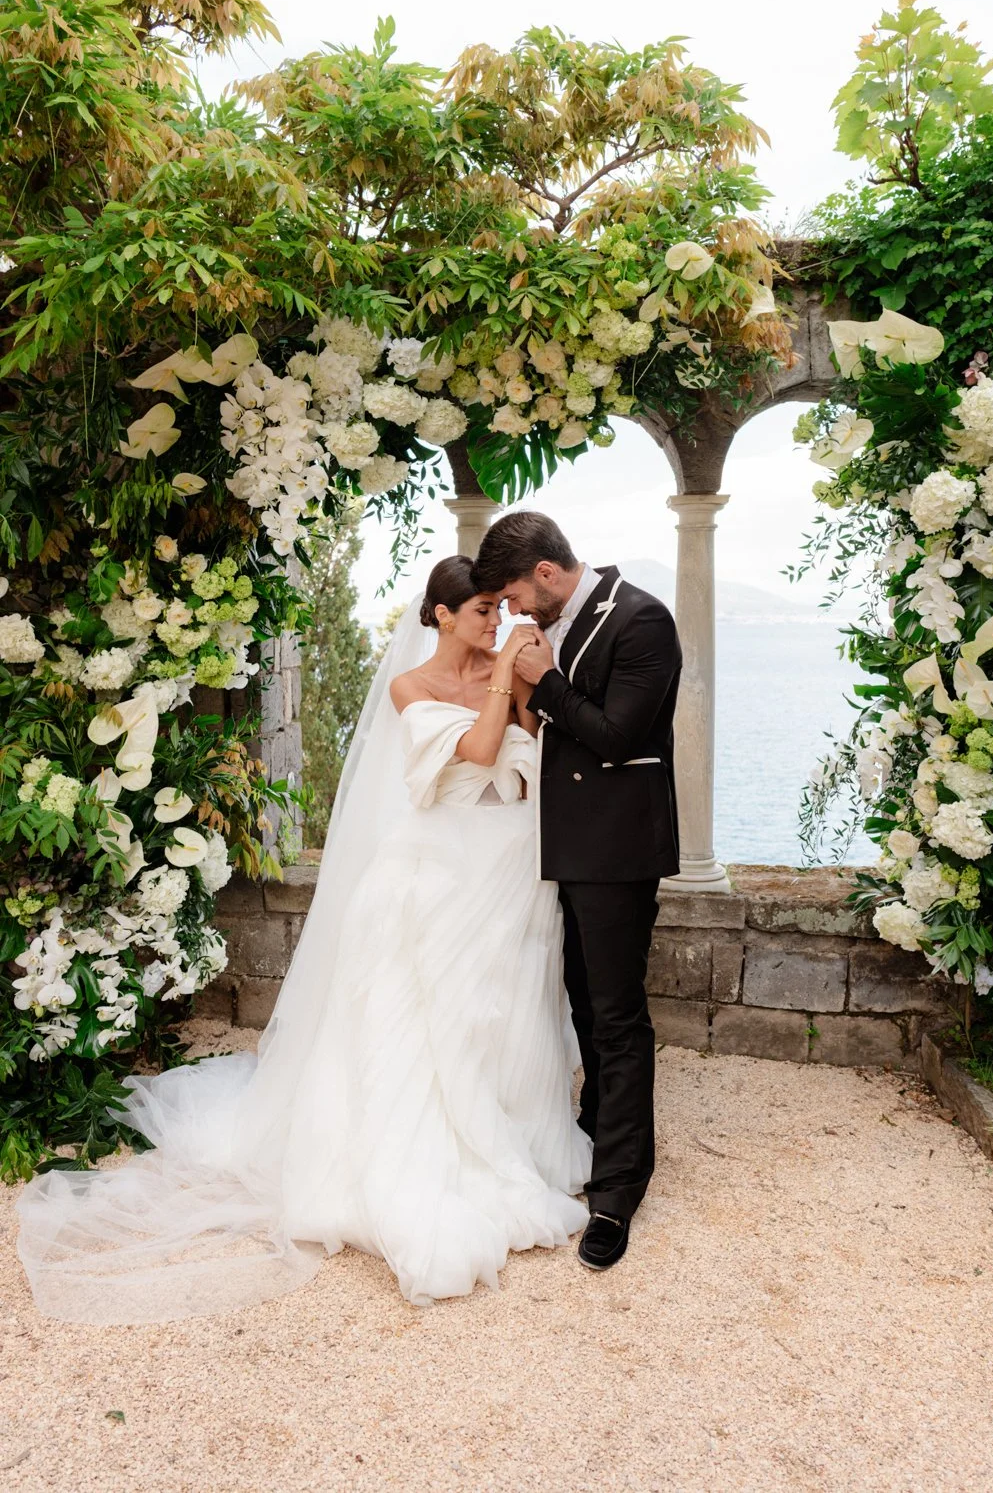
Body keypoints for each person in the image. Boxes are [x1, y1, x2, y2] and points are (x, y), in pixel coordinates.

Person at [16, 556, 590, 1323]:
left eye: (500, 608)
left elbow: (525, 747)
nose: (498, 622)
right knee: (425, 1020)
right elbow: (480, 752)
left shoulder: (509, 668)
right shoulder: (410, 688)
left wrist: (523, 684)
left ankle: (513, 1137)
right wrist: (499, 687)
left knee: (501, 1011)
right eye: (484, 610)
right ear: (443, 615)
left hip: (508, 868)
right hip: (435, 872)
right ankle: (424, 1161)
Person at [472, 512, 682, 1272]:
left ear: (549, 573)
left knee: (619, 1015)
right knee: (584, 1004)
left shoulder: (643, 620)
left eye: (520, 598)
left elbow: (618, 734)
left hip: (618, 851)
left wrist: (543, 681)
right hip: (558, 847)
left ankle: (619, 1190)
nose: (518, 614)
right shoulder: (558, 620)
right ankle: (595, 1133)